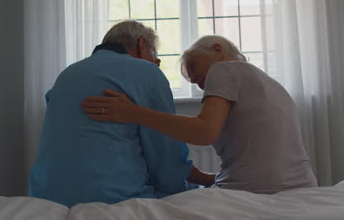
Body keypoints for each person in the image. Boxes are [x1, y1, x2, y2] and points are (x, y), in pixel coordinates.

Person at [83, 35, 318, 194]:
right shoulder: (273, 85)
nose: (194, 81)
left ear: (217, 49)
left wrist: (132, 112)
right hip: (303, 188)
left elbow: (204, 132)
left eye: (193, 67)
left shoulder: (224, 69)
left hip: (254, 190)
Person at [29, 20, 213, 207]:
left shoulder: (66, 75)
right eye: (155, 58)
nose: (156, 64)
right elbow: (166, 158)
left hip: (47, 199)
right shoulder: (146, 72)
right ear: (142, 44)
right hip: (111, 199)